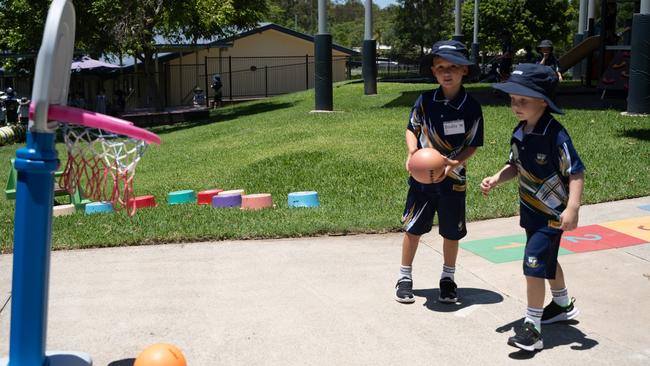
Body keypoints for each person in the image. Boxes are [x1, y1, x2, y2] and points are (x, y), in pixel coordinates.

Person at [480, 63, 585, 352]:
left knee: (533, 266)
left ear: (543, 101)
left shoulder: (556, 135)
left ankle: (533, 328)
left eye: (523, 100)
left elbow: (576, 171)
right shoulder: (520, 132)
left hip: (552, 215)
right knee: (545, 261)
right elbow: (515, 165)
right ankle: (562, 304)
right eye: (513, 100)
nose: (516, 105)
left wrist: (573, 208)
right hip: (530, 212)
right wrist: (496, 178)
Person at [395, 40, 484, 304]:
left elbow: (473, 145)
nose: (447, 72)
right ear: (433, 71)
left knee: (451, 232)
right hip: (422, 181)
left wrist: (453, 164)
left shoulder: (472, 107)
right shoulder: (424, 101)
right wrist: (413, 153)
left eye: (453, 67)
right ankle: (404, 277)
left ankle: (448, 278)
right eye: (441, 67)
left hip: (453, 181)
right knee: (413, 228)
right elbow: (412, 128)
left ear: (464, 70)